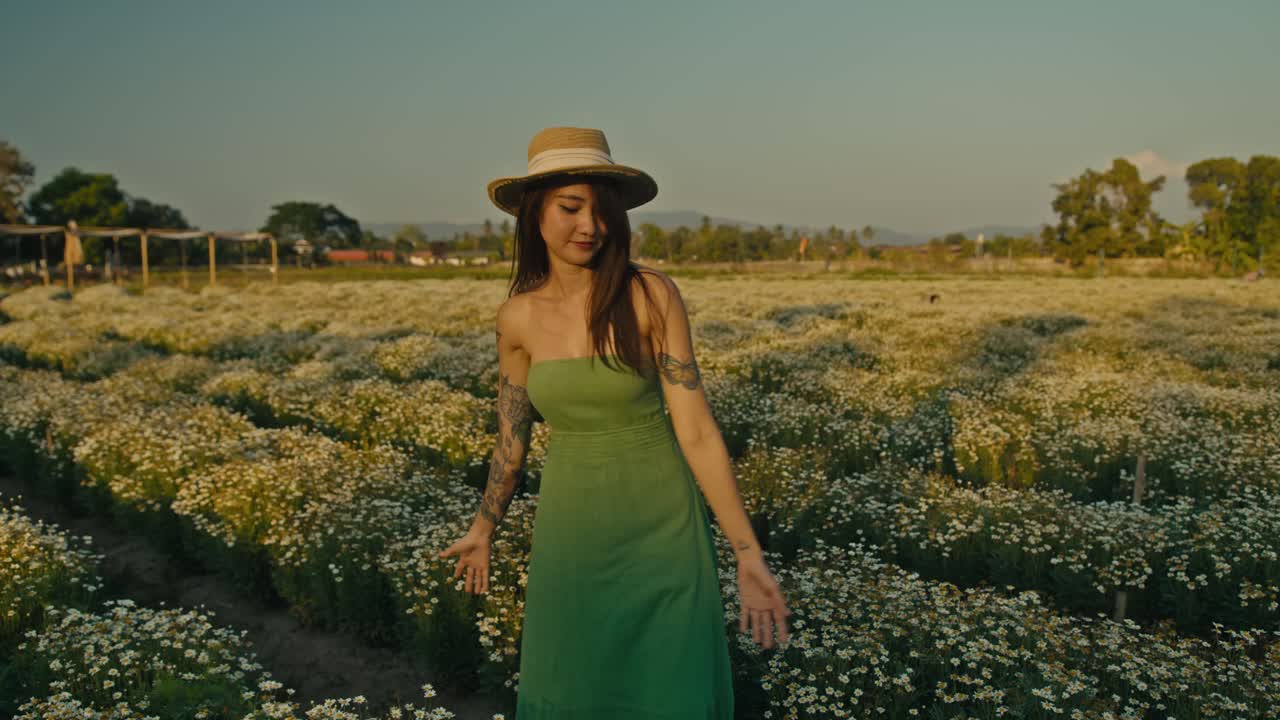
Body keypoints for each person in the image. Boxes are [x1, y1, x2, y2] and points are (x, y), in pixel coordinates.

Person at [438, 127, 791, 718]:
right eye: (570, 208)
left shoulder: (651, 294)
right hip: (571, 532)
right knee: (572, 684)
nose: (590, 226)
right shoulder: (516, 318)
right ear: (534, 215)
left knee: (670, 685)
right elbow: (511, 442)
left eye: (602, 210)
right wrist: (482, 530)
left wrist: (747, 554)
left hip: (664, 530)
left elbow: (697, 431)